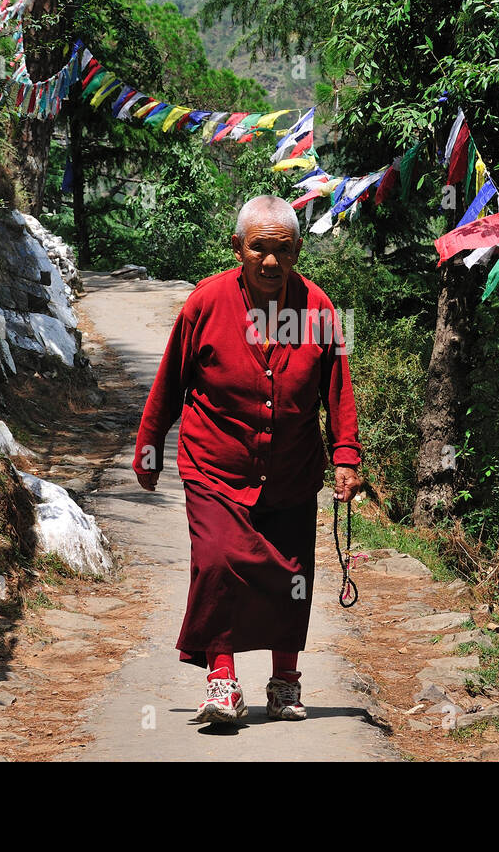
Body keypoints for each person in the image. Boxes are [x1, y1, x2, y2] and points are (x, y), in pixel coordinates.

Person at [132, 194, 363, 724]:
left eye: (283, 251)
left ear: (298, 251)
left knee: (290, 576)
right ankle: (222, 683)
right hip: (214, 464)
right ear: (237, 247)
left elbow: (337, 389)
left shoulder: (319, 309)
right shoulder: (205, 304)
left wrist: (346, 455)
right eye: (258, 249)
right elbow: (169, 382)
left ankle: (285, 682)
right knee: (217, 565)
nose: (270, 262)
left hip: (291, 472)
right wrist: (149, 449)